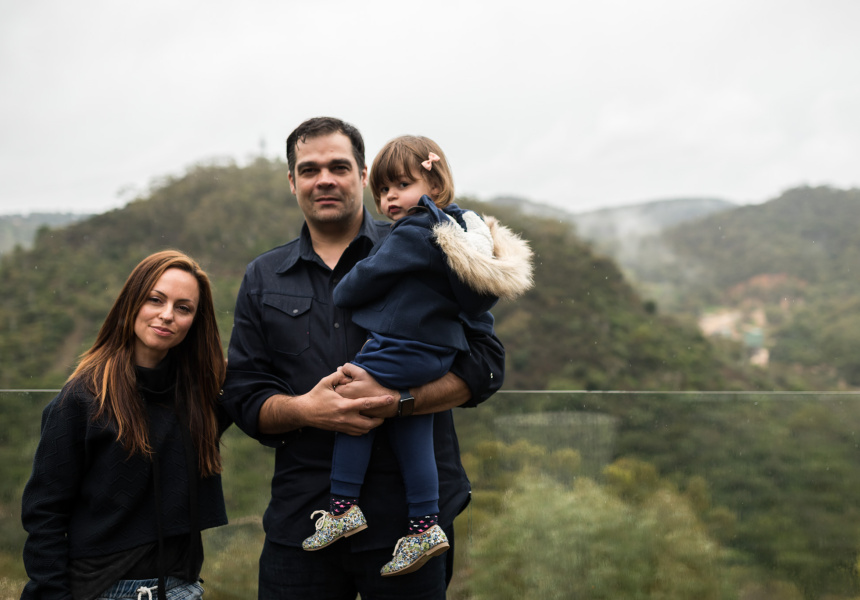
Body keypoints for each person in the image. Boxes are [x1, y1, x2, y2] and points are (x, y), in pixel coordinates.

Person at [220, 117, 506, 599]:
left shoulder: (430, 244)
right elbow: (244, 394)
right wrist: (306, 410)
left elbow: (486, 364)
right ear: (292, 181)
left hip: (411, 527)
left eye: (338, 166)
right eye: (309, 170)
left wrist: (402, 401)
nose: (324, 179)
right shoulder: (264, 276)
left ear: (362, 174)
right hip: (303, 521)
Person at [301, 135, 533, 577]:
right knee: (414, 430)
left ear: (435, 184)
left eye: (402, 186)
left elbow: (358, 283)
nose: (390, 198)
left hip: (402, 347)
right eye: (383, 190)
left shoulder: (411, 231)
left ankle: (343, 506)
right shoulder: (457, 234)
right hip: (436, 354)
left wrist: (346, 286)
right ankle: (425, 525)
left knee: (352, 399)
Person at [21, 250, 230, 600]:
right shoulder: (82, 398)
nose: (167, 315)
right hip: (105, 589)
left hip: (183, 588)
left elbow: (260, 392)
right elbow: (44, 513)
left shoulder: (202, 394)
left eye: (183, 308)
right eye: (155, 300)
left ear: (195, 320)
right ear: (132, 301)